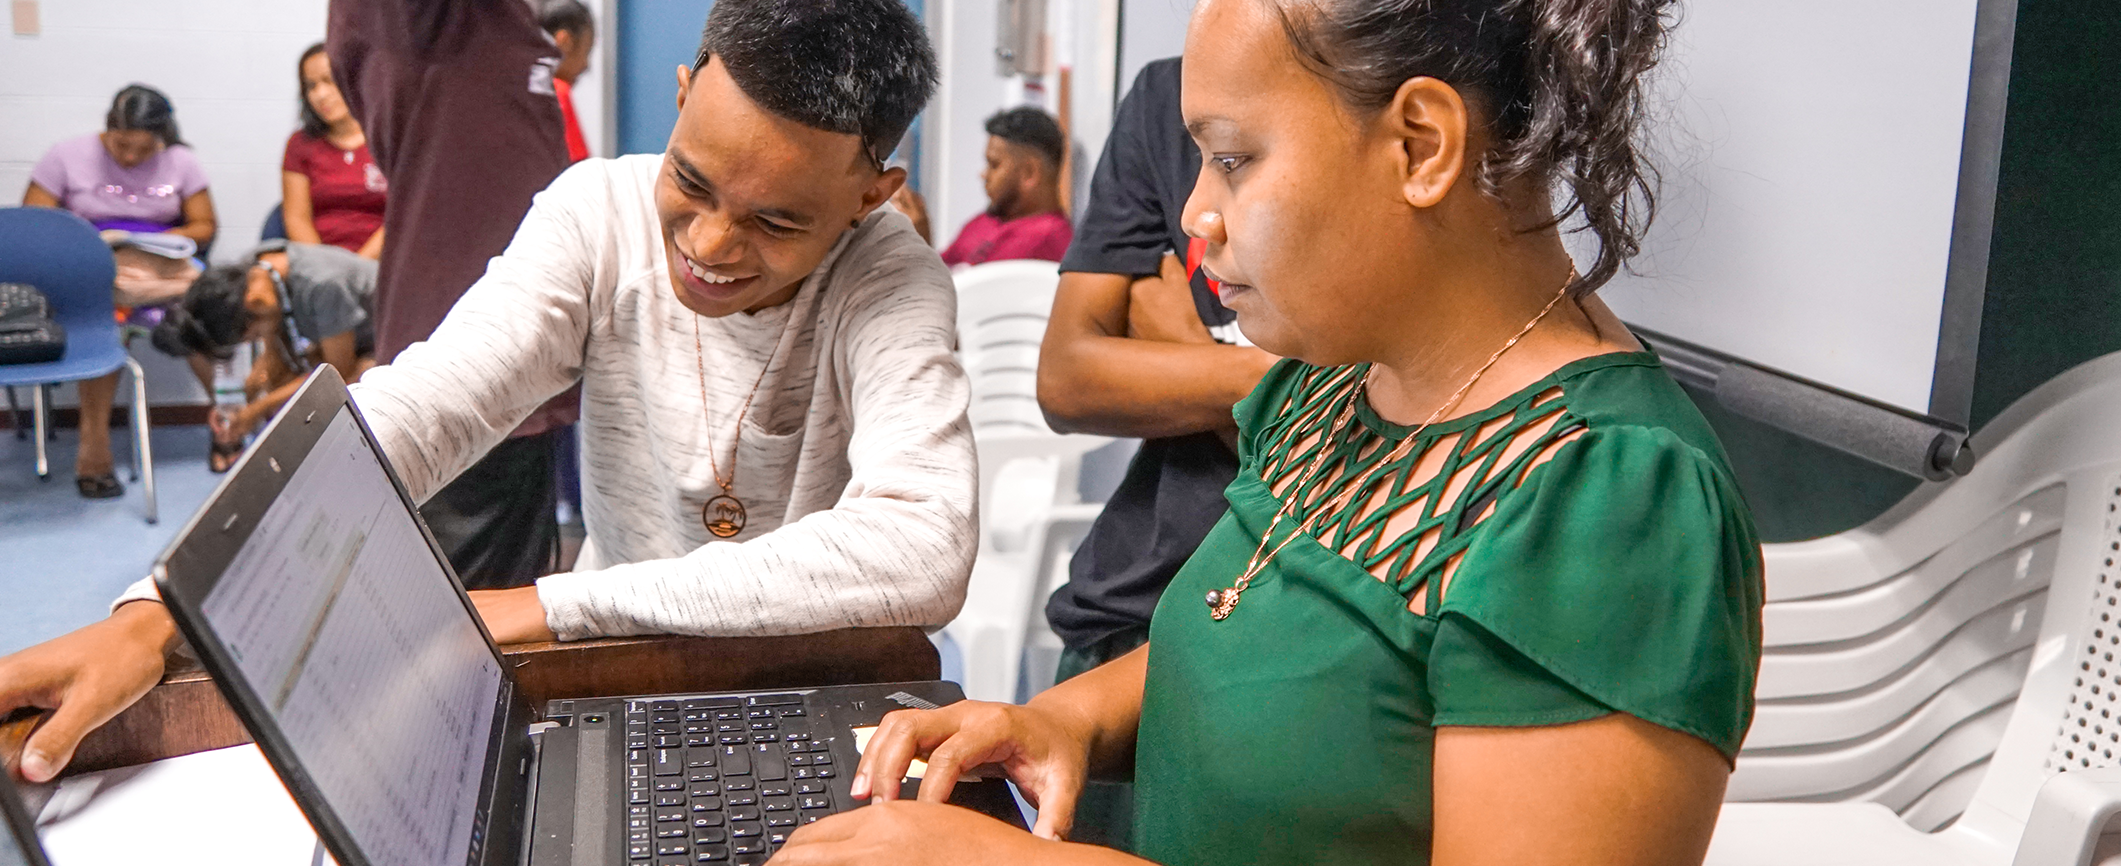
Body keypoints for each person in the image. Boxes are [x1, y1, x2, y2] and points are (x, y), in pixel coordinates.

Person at [781, 0, 1763, 865]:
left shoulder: (1606, 493)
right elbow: (1241, 629)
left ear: (1422, 145)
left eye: (1234, 159)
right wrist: (1058, 716)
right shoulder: (1333, 385)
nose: (1197, 213)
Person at [0, 0, 973, 789]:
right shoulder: (596, 211)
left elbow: (920, 547)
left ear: (871, 194)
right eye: (692, 179)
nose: (711, 244)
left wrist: (544, 605)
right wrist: (159, 608)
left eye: (774, 220)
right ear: (682, 96)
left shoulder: (893, 277)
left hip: (811, 680)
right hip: (618, 671)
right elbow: (417, 406)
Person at [1026, 57, 1279, 850]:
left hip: (1274, 644)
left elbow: (1381, 431)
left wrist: (1179, 346)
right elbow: (1070, 377)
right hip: (1131, 612)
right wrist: (1269, 380)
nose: (1201, 215)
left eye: (1234, 162)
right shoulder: (1168, 92)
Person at [328, 0, 582, 588]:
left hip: (529, 369)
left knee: (512, 596)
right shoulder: (427, 26)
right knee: (461, 616)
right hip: (465, 365)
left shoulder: (499, 27)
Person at [23, 84, 217, 500]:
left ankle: (230, 420)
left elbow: (204, 227)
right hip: (92, 278)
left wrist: (153, 240)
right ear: (107, 128)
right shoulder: (65, 156)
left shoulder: (181, 161)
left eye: (143, 150)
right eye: (121, 146)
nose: (130, 158)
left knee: (207, 310)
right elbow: (35, 230)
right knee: (102, 319)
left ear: (162, 138)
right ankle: (94, 451)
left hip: (158, 277)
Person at [151, 241, 379, 471]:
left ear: (256, 305)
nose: (256, 340)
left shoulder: (322, 285)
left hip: (386, 342)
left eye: (252, 336)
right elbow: (274, 354)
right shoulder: (257, 270)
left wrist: (257, 409)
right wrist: (241, 400)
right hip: (343, 341)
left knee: (329, 391)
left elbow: (338, 373)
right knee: (279, 389)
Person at [281, 43, 387, 258]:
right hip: (320, 267)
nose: (320, 94)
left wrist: (357, 267)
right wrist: (326, 270)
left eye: (329, 81)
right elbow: (296, 218)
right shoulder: (299, 144)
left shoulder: (389, 139)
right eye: (311, 86)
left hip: (384, 262)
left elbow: (403, 216)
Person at [939, 107, 1073, 267]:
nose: (983, 174)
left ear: (1029, 173)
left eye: (994, 165)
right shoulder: (986, 220)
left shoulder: (1045, 239)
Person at [542, 0, 596, 163]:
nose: (585, 66)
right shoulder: (557, 92)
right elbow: (579, 173)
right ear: (564, 41)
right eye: (585, 51)